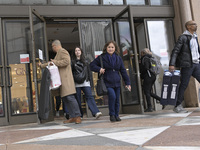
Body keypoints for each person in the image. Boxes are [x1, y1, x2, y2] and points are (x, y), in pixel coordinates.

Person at [39, 40, 82, 124]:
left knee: (70, 98)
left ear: (55, 46)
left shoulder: (63, 51)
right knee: (66, 99)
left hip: (66, 80)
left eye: (52, 47)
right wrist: (42, 65)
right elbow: (52, 63)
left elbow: (66, 61)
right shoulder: (58, 53)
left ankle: (78, 116)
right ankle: (73, 116)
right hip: (61, 80)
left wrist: (55, 62)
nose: (52, 48)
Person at [90, 40, 131, 122]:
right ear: (106, 48)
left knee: (117, 100)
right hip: (107, 82)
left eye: (112, 47)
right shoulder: (101, 57)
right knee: (112, 97)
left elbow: (123, 71)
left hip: (117, 82)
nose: (111, 49)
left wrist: (127, 83)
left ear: (115, 48)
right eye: (109, 47)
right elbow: (91, 65)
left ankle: (116, 115)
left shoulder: (118, 58)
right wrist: (99, 69)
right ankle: (112, 115)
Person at [169, 20, 199, 113]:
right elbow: (175, 51)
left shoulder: (195, 37)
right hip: (187, 65)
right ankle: (177, 105)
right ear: (188, 26)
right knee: (184, 85)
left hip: (197, 64)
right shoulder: (183, 38)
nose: (196, 25)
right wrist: (171, 64)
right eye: (194, 24)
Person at [71, 46, 102, 119]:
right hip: (76, 83)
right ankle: (79, 115)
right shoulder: (72, 62)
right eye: (76, 50)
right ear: (74, 53)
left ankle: (96, 112)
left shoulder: (86, 61)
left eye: (79, 50)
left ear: (81, 52)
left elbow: (89, 72)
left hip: (85, 82)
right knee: (78, 99)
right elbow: (71, 73)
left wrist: (91, 82)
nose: (77, 52)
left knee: (89, 97)